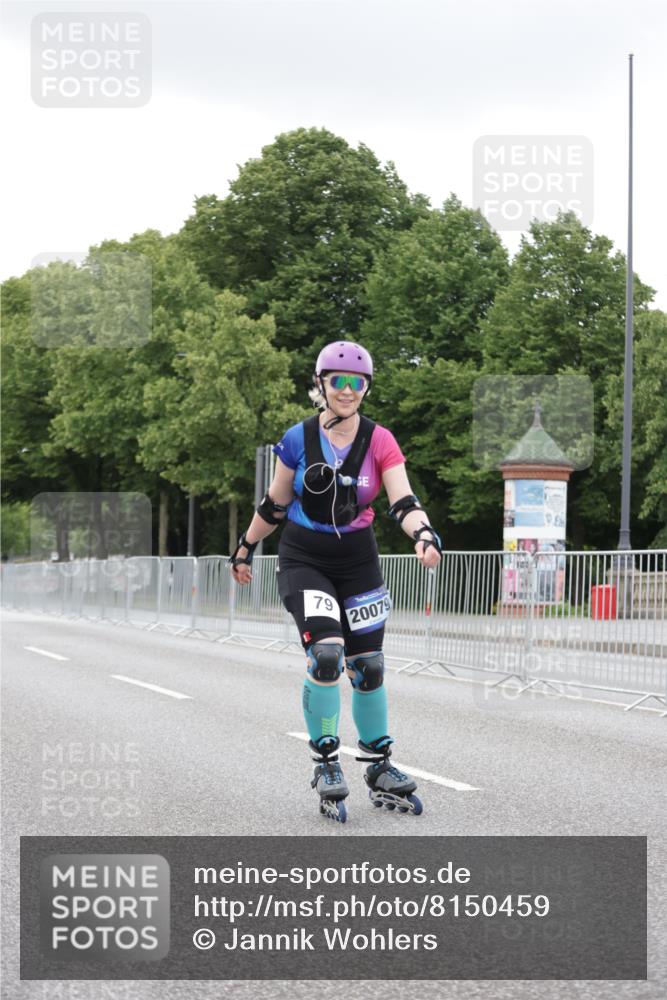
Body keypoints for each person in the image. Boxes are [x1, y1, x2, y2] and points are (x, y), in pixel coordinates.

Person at [230, 341, 442, 822]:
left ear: (366, 388)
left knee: (368, 665)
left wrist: (424, 534)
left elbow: (403, 501)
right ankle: (327, 762)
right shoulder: (298, 438)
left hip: (358, 559)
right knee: (327, 655)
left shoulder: (381, 440)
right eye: (337, 381)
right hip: (305, 555)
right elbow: (274, 505)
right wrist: (244, 548)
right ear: (321, 384)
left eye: (357, 382)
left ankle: (378, 765)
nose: (347, 390)